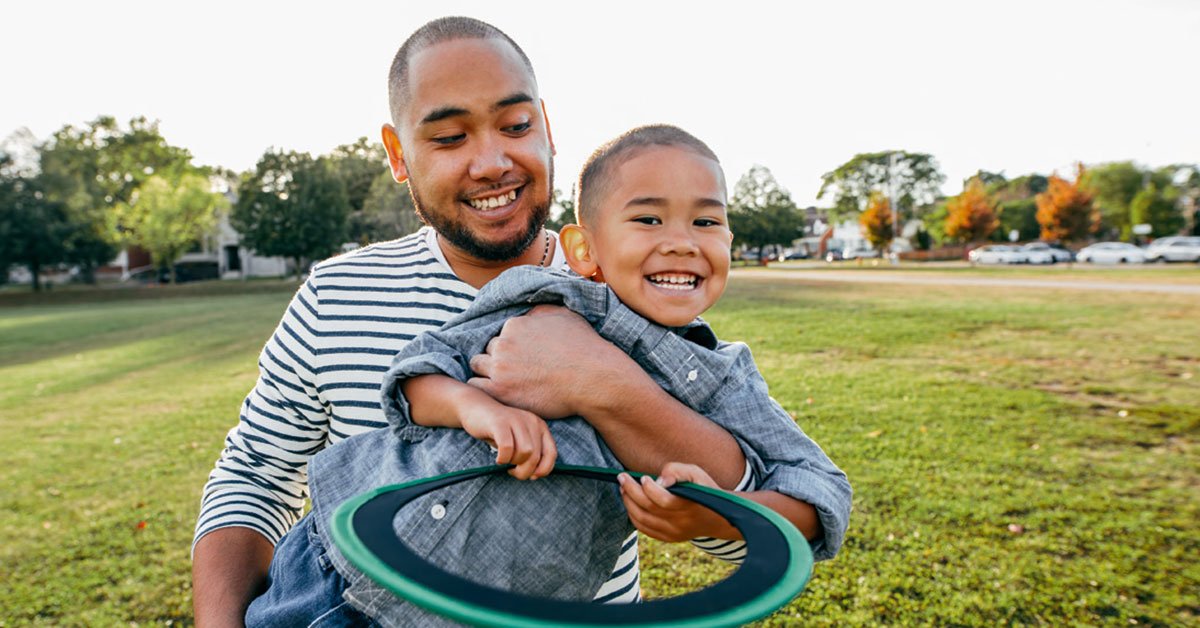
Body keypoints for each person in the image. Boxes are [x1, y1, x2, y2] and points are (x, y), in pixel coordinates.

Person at [192, 17, 751, 627]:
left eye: (516, 126)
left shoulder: (635, 291)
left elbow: (745, 521)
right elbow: (253, 478)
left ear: (547, 126)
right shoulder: (336, 295)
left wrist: (604, 383)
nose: (491, 162)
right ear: (398, 154)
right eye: (450, 137)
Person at [248, 124, 851, 625]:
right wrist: (475, 408)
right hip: (332, 565)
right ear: (584, 249)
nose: (680, 244)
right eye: (647, 220)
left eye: (706, 222)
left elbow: (818, 494)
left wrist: (715, 514)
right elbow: (417, 374)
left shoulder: (720, 380)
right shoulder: (539, 298)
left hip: (489, 615)